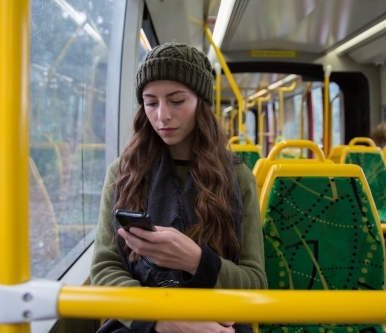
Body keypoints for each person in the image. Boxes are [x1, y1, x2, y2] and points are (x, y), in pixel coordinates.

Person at [90, 42, 267, 333]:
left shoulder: (238, 177)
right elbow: (104, 268)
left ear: (201, 102)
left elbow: (255, 281)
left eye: (176, 101)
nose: (162, 116)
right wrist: (160, 318)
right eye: (151, 103)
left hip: (218, 320)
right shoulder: (122, 174)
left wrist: (197, 261)